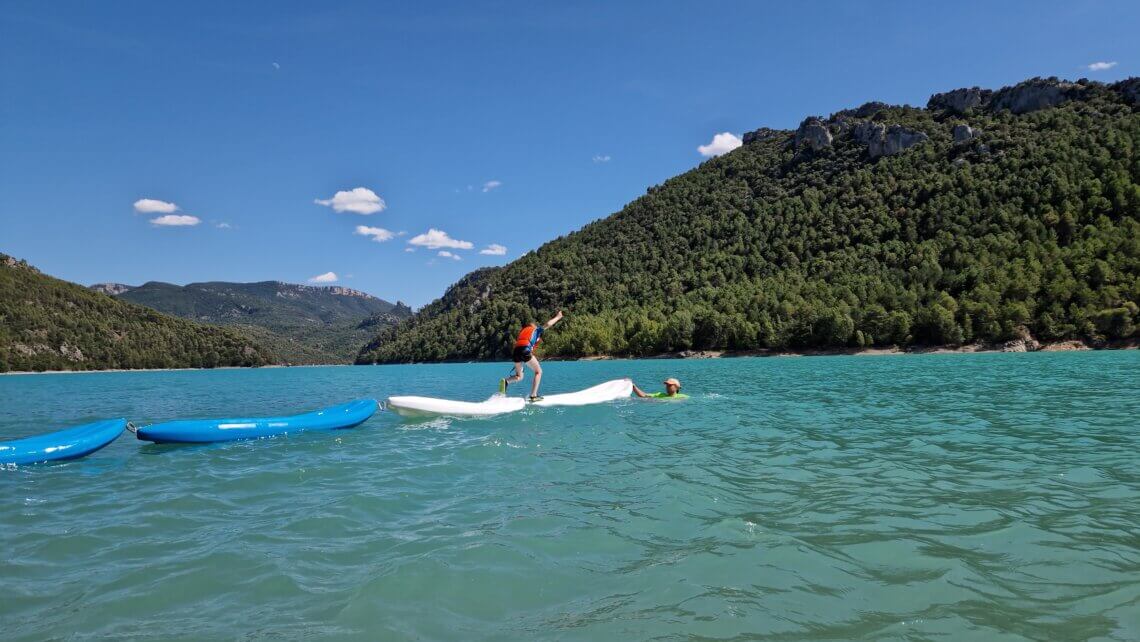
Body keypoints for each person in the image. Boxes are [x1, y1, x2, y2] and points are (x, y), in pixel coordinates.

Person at [500, 310, 564, 401]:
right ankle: (533, 395)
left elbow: (522, 347)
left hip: (516, 352)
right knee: (538, 372)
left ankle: (506, 381)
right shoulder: (536, 330)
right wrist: (558, 317)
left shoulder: (522, 333)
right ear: (532, 326)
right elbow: (548, 324)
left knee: (519, 376)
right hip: (524, 350)